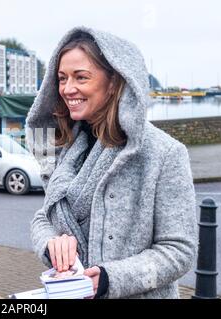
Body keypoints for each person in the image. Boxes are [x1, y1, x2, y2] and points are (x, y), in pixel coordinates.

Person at [27, 27, 197, 299]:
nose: (68, 89)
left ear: (114, 82)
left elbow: (179, 251)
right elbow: (43, 216)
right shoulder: (66, 147)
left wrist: (109, 279)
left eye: (81, 77)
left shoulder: (164, 153)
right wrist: (51, 244)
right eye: (61, 78)